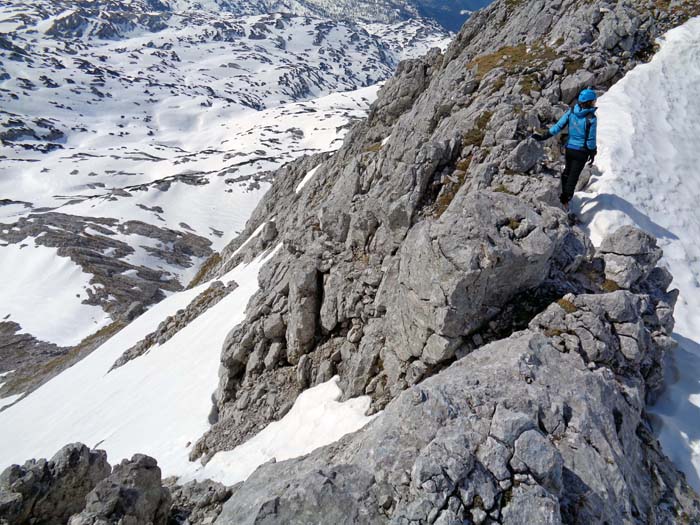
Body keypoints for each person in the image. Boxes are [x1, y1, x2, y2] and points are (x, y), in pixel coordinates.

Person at [533, 89, 598, 210]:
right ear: (589, 102)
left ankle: (561, 193)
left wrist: (544, 136)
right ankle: (565, 201)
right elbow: (591, 139)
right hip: (581, 152)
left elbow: (558, 127)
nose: (595, 102)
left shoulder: (571, 112)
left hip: (570, 149)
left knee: (567, 172)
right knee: (573, 177)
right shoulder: (591, 118)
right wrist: (593, 152)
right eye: (594, 100)